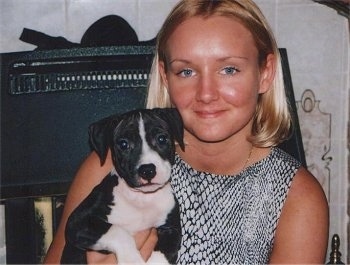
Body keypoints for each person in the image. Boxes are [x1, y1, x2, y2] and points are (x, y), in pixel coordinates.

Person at [44, 0, 329, 264]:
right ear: (165, 77)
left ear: (265, 73)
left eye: (229, 70)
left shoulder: (296, 197)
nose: (206, 93)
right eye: (186, 72)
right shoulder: (110, 164)